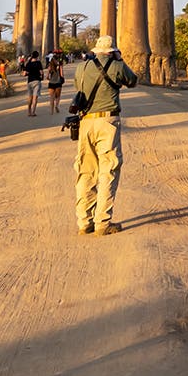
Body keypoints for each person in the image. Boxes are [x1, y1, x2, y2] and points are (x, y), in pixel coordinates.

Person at [72, 35, 137, 236]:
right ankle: (102, 222)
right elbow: (132, 81)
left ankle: (84, 222)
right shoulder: (117, 66)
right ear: (112, 51)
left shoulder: (81, 68)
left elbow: (78, 88)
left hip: (85, 123)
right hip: (108, 122)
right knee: (108, 170)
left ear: (96, 50)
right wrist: (119, 60)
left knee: (86, 171)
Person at [22, 51, 43, 117]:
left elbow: (24, 74)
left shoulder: (28, 64)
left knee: (30, 97)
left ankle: (29, 111)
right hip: (37, 81)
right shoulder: (38, 63)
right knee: (35, 97)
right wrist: (42, 77)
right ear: (37, 56)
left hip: (30, 81)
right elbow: (41, 72)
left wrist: (28, 73)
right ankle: (33, 112)